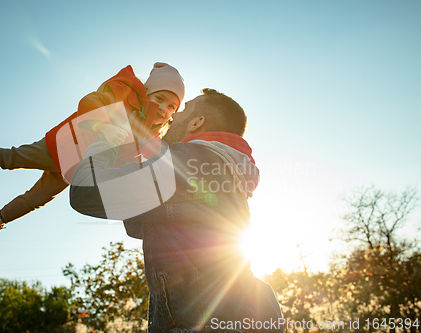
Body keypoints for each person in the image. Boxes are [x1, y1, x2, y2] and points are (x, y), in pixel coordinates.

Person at [70, 89, 283, 332]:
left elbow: (86, 190)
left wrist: (108, 137)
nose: (172, 116)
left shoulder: (188, 161)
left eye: (181, 110)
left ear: (196, 122)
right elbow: (137, 221)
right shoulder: (226, 175)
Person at [0, 63, 185, 251]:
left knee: (36, 200)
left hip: (75, 168)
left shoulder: (151, 135)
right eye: (161, 98)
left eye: (171, 107)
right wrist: (103, 125)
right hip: (63, 146)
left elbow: (142, 161)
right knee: (11, 159)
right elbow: (90, 101)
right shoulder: (125, 92)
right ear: (148, 91)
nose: (164, 109)